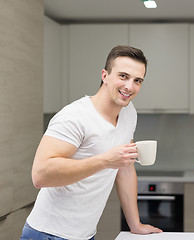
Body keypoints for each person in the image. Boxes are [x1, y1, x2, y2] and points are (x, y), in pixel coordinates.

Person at [20, 45, 162, 240]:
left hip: (85, 235)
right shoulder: (75, 117)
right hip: (48, 234)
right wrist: (104, 161)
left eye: (137, 80)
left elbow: (125, 167)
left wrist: (135, 224)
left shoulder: (129, 112)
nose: (130, 86)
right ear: (105, 75)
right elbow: (40, 175)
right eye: (123, 76)